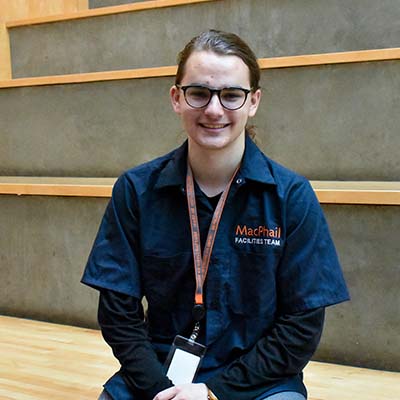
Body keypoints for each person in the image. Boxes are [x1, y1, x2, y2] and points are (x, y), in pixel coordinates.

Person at [82, 30, 349, 400]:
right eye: (199, 93)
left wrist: (213, 393)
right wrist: (160, 389)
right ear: (176, 98)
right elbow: (117, 314)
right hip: (157, 377)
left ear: (253, 101)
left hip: (258, 382)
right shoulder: (135, 191)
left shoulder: (292, 197)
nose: (213, 109)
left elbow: (301, 327)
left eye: (231, 95)